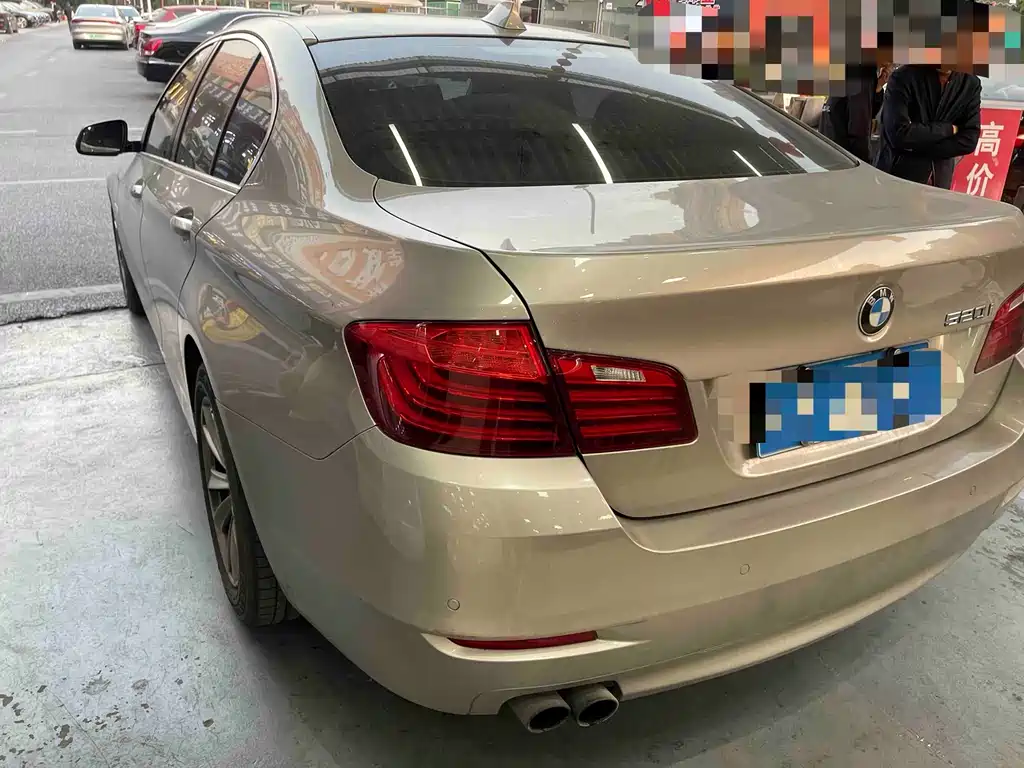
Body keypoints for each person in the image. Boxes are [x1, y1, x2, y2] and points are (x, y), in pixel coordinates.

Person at [874, 64, 981, 189]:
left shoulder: (970, 82)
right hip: (898, 176)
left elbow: (969, 140)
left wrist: (917, 143)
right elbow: (898, 134)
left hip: (940, 180)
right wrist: (949, 129)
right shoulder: (903, 76)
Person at [820, 64, 890, 163]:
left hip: (827, 147)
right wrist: (864, 163)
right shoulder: (862, 75)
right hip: (844, 156)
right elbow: (859, 127)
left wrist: (878, 86)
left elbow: (868, 112)